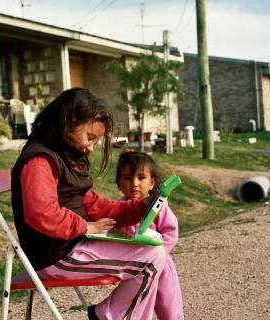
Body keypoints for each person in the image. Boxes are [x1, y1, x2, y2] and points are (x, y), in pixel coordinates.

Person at [10, 88, 166, 320]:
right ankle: (108, 315)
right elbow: (41, 212)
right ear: (67, 123)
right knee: (151, 259)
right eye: (90, 137)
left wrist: (140, 206)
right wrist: (85, 227)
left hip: (72, 247)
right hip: (56, 256)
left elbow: (95, 205)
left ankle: (108, 314)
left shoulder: (63, 156)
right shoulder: (40, 160)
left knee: (154, 253)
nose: (91, 147)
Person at [115, 151, 184, 320]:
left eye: (141, 178)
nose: (134, 184)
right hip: (134, 268)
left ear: (152, 182)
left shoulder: (157, 207)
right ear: (118, 183)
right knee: (135, 307)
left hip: (160, 267)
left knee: (168, 308)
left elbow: (170, 232)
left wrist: (160, 253)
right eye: (127, 178)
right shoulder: (118, 207)